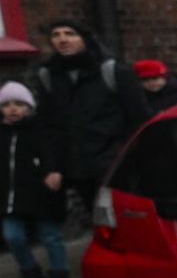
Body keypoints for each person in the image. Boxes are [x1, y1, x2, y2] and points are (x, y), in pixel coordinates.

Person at [33, 20, 148, 218]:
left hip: (114, 163)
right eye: (56, 35)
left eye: (69, 34)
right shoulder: (49, 75)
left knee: (124, 219)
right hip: (78, 166)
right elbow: (49, 125)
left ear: (84, 39)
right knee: (98, 221)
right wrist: (53, 166)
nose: (62, 40)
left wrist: (127, 157)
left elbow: (138, 117)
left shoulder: (112, 71)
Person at [0, 82, 69, 278]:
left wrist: (55, 172)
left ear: (29, 106)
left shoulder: (42, 130)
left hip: (41, 194)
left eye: (19, 104)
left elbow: (56, 154)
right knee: (13, 237)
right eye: (7, 104)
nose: (12, 109)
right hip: (9, 197)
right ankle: (30, 273)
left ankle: (59, 274)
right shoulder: (2, 134)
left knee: (50, 235)